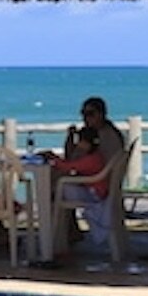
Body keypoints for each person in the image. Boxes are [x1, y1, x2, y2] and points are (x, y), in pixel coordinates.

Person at [51, 96, 127, 251]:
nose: (86, 118)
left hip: (97, 185)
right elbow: (73, 158)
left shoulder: (102, 137)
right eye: (83, 114)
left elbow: (74, 161)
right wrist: (71, 139)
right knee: (58, 182)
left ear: (101, 114)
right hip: (99, 182)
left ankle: (57, 236)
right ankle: (69, 230)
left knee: (56, 185)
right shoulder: (99, 134)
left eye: (90, 114)